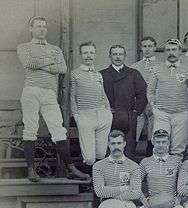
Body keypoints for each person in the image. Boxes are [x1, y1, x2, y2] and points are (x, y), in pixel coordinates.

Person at [17, 16, 89, 182]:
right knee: (30, 128)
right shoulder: (24, 47)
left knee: (58, 129)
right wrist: (50, 63)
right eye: (38, 26)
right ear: (31, 29)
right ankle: (31, 170)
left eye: (44, 26)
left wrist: (41, 62)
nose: (42, 29)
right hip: (31, 91)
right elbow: (29, 63)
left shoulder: (55, 49)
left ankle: (70, 168)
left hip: (49, 92)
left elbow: (62, 68)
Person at [100, 44, 147, 159]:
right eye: (114, 54)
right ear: (110, 56)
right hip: (109, 117)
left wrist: (135, 112)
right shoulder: (102, 74)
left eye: (120, 54)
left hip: (129, 116)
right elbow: (96, 96)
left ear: (124, 56)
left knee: (128, 149)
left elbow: (143, 94)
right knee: (110, 148)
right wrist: (104, 109)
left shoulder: (133, 73)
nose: (117, 57)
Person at [70, 41, 113, 166]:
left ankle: (95, 182)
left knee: (101, 153)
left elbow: (103, 94)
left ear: (95, 54)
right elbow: (72, 96)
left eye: (91, 53)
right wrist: (77, 116)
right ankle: (88, 182)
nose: (88, 55)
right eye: (85, 53)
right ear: (80, 55)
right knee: (89, 158)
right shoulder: (74, 74)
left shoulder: (98, 74)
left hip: (102, 115)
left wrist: (108, 112)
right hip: (85, 116)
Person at [149, 38, 188, 157]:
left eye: (174, 49)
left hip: (182, 113)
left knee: (178, 149)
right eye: (168, 50)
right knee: (160, 145)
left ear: (180, 51)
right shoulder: (157, 69)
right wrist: (154, 108)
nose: (171, 52)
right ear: (164, 52)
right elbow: (150, 91)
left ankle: (175, 173)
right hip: (162, 114)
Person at [132, 36, 162, 156]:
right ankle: (130, 155)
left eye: (150, 46)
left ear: (154, 47)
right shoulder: (135, 66)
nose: (147, 49)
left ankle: (150, 155)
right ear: (141, 48)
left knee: (153, 128)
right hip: (139, 102)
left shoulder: (161, 65)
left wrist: (154, 102)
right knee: (136, 127)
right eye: (145, 46)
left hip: (155, 102)